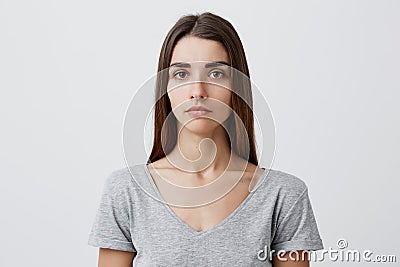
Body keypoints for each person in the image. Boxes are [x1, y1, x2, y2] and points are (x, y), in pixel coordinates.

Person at [88, 12, 323, 266]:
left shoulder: (284, 195)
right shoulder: (125, 191)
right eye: (181, 74)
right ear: (164, 88)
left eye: (216, 74)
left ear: (237, 86)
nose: (197, 91)